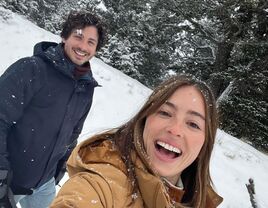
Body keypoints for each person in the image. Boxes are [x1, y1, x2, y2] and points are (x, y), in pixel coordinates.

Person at [50, 74, 223, 208]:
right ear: (145, 119)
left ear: (204, 143)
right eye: (165, 113)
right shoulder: (103, 182)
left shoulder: (199, 200)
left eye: (193, 124)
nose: (175, 130)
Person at [0, 10, 106, 208]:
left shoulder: (86, 88)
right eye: (78, 36)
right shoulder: (32, 69)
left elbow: (73, 134)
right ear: (65, 36)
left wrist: (60, 168)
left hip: (45, 183)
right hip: (9, 181)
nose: (83, 46)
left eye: (91, 42)